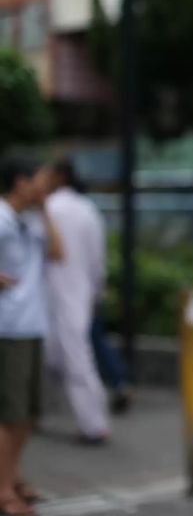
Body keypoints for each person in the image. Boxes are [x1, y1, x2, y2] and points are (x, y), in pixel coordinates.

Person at [0, 156, 64, 516]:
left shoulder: (27, 220)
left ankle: (11, 477)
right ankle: (5, 492)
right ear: (21, 182)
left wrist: (44, 210)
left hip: (31, 324)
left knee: (27, 415)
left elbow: (58, 252)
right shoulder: (2, 217)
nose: (47, 185)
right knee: (10, 416)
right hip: (8, 327)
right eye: (41, 179)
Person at [44, 158, 110, 443]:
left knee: (72, 359)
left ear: (58, 177)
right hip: (80, 293)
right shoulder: (88, 208)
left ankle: (93, 425)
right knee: (72, 358)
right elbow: (98, 260)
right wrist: (96, 293)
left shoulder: (49, 209)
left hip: (55, 296)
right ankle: (92, 421)